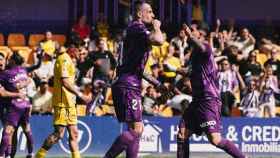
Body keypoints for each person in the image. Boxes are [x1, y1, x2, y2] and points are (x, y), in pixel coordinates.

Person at [103, 1, 164, 158]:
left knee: (135, 128)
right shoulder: (137, 27)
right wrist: (157, 26)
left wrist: (157, 83)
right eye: (149, 12)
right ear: (139, 14)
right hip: (128, 85)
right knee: (137, 129)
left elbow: (138, 69)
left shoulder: (135, 33)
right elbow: (159, 40)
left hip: (127, 82)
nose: (153, 15)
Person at [176, 24, 246, 158]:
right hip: (197, 101)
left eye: (196, 32)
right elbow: (189, 71)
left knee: (215, 139)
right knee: (182, 133)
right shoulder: (193, 57)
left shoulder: (206, 48)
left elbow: (201, 46)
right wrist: (173, 69)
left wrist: (190, 36)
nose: (192, 32)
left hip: (209, 100)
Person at [35, 47, 90, 158]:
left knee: (74, 134)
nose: (82, 55)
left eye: (84, 53)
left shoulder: (70, 61)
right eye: (81, 52)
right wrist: (80, 95)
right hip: (62, 103)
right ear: (72, 50)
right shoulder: (64, 59)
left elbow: (69, 82)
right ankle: (39, 156)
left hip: (70, 103)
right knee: (58, 134)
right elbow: (64, 82)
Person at [0, 51, 42, 158]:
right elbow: (34, 70)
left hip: (13, 105)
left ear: (12, 61)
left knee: (8, 131)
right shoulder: (23, 70)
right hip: (26, 104)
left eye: (7, 59)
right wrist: (26, 82)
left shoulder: (5, 74)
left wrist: (17, 92)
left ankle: (3, 156)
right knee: (27, 129)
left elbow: (2, 93)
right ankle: (31, 153)